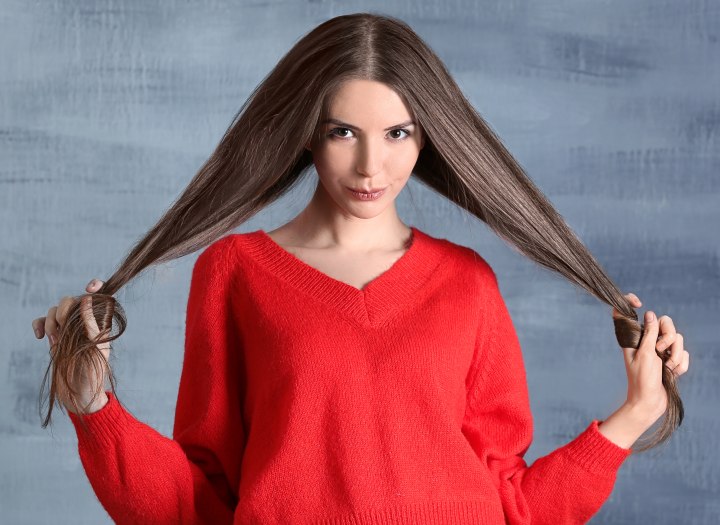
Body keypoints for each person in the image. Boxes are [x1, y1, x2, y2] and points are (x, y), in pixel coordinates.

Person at [31, 12, 689, 525]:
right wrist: (93, 404)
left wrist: (637, 410)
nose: (372, 166)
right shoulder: (235, 272)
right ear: (307, 133)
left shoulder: (467, 283)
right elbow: (200, 504)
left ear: (428, 135)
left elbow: (513, 504)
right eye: (344, 131)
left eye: (398, 133)